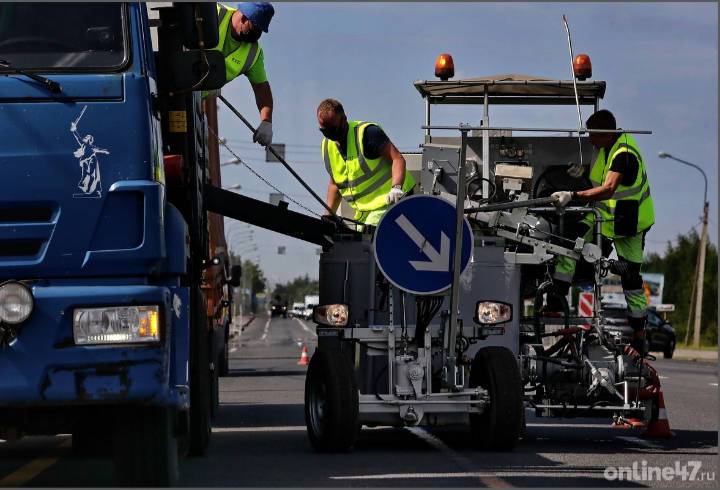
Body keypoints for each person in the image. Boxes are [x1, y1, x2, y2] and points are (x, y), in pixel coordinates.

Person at [551, 109, 655, 355]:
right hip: (603, 216)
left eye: (592, 135)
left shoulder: (624, 154)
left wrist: (573, 195)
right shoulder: (605, 149)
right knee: (570, 242)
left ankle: (639, 334)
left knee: (631, 278)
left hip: (630, 222)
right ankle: (556, 300)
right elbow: (596, 179)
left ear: (606, 133)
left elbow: (608, 188)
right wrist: (579, 174)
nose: (589, 139)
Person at [317, 98, 415, 228]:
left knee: (367, 244)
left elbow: (397, 159)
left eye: (334, 129)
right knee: (358, 242)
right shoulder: (327, 147)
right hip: (365, 211)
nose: (331, 135)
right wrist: (329, 214)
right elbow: (335, 184)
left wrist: (396, 188)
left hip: (393, 201)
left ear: (344, 119)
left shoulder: (367, 133)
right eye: (325, 131)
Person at [212, 2, 275, 146]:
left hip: (192, 100)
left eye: (260, 31)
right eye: (254, 29)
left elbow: (261, 88)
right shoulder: (213, 13)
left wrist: (266, 122)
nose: (256, 36)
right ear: (244, 18)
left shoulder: (253, 54)